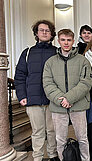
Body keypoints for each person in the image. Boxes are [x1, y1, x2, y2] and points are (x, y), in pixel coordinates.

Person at [43, 29, 92, 161]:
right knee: (60, 140)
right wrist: (62, 100)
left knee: (82, 138)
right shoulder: (50, 62)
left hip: (78, 105)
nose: (66, 43)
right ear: (58, 41)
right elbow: (47, 84)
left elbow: (86, 83)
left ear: (73, 41)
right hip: (58, 107)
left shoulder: (83, 61)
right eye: (63, 40)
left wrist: (69, 98)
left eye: (69, 40)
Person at [14, 20, 59, 161]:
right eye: (41, 30)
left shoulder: (57, 52)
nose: (44, 32)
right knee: (38, 132)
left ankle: (53, 155)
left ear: (51, 34)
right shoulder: (27, 53)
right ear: (36, 33)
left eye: (47, 30)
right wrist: (21, 95)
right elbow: (20, 76)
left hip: (53, 100)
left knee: (52, 131)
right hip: (33, 99)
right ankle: (37, 157)